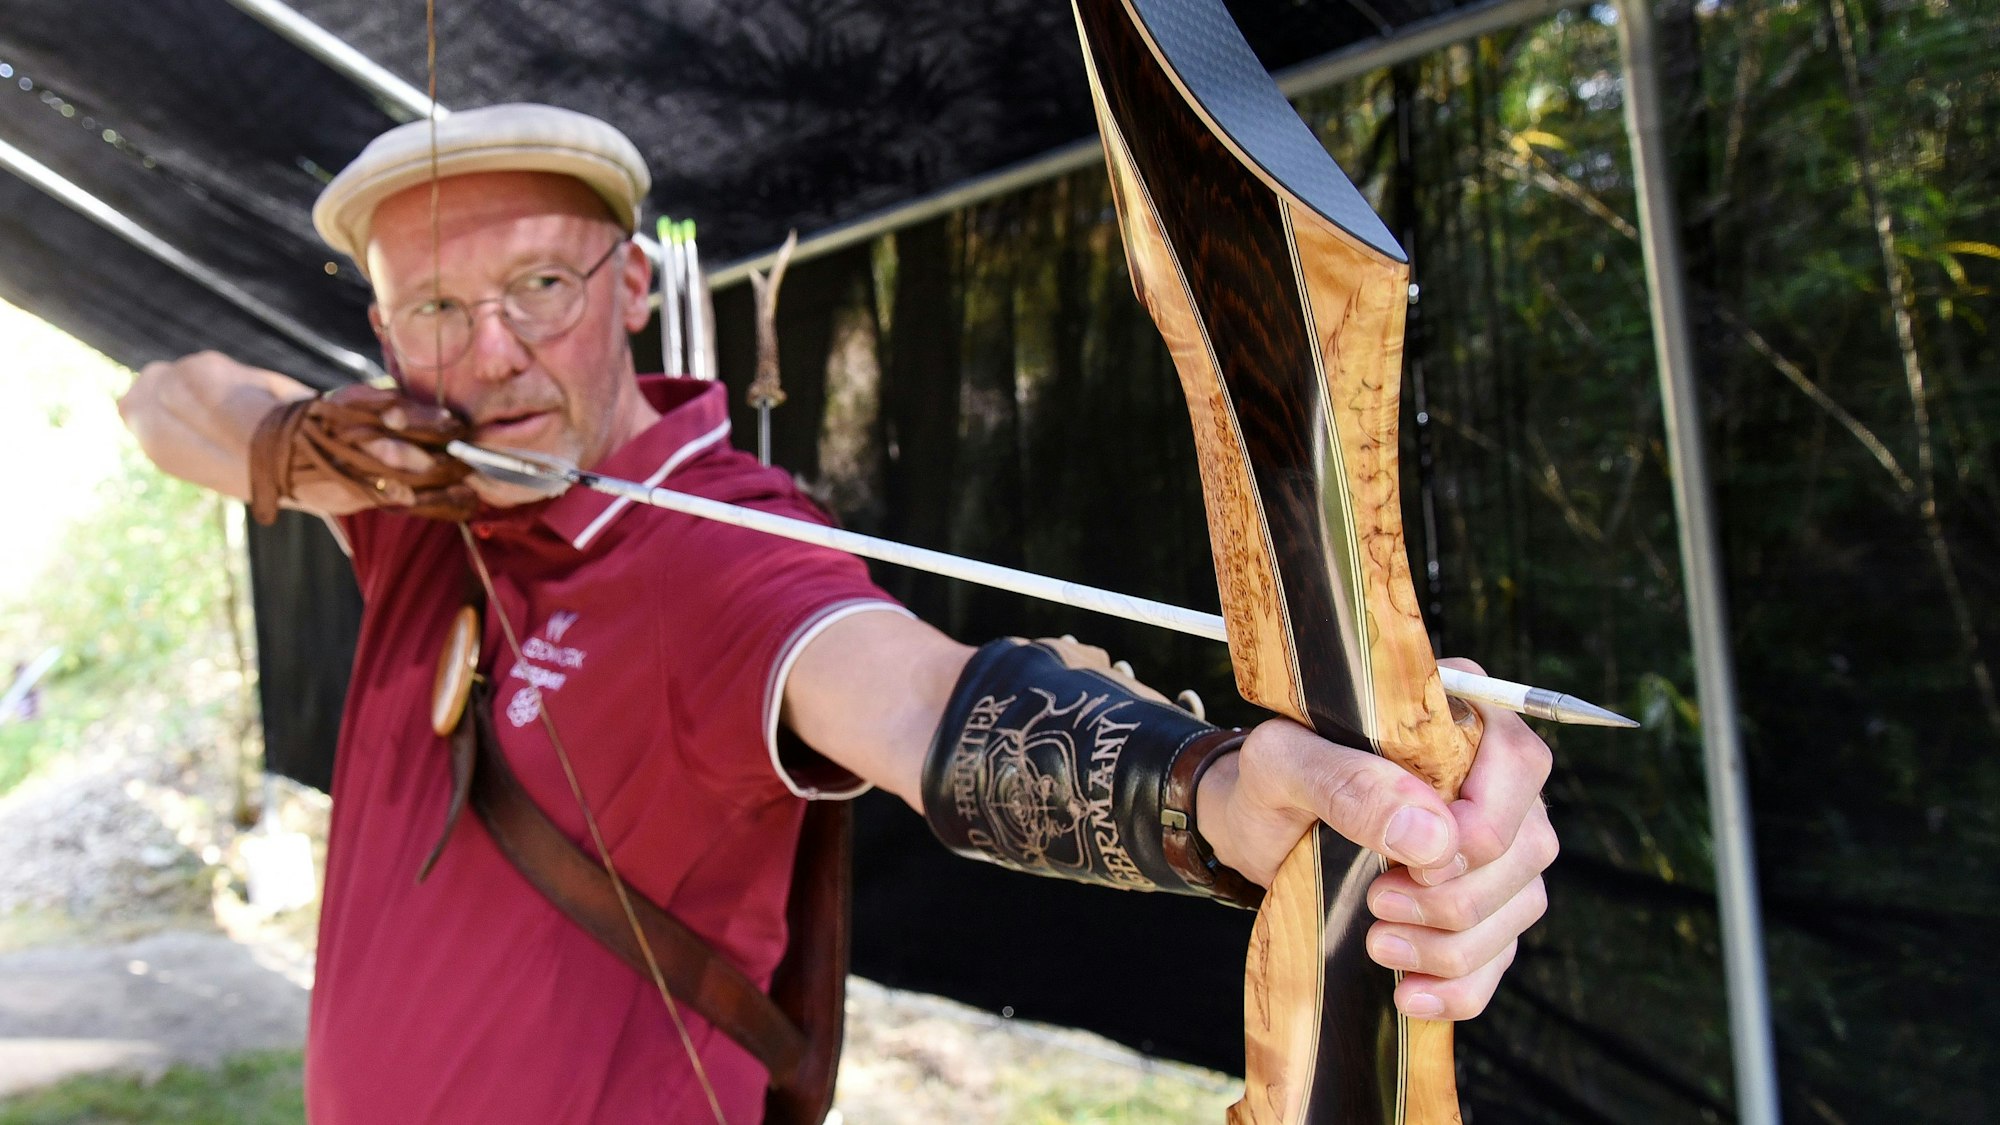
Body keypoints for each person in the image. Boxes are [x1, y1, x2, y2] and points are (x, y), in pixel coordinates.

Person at [119, 105, 1558, 1124]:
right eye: (434, 309)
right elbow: (161, 399)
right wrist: (317, 448)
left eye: (540, 285)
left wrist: (1228, 801)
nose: (491, 354)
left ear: (631, 286)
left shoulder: (712, 546)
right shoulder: (411, 499)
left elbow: (913, 698)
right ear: (382, 335)